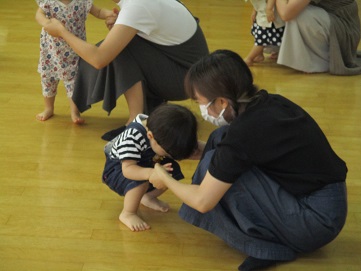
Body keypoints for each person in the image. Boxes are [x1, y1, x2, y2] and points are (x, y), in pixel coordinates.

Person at [149, 50, 348, 270]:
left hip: (316, 222)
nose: (201, 110)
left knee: (213, 167)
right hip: (328, 203)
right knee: (218, 140)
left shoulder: (243, 135)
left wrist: (164, 178)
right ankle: (273, 235)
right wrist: (193, 150)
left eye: (200, 102)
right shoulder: (268, 102)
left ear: (223, 101)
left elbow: (203, 202)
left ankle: (265, 247)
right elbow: (239, 151)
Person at [42, 0, 209, 139]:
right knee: (119, 44)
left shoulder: (136, 6)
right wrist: (120, 27)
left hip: (186, 80)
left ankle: (135, 124)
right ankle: (148, 111)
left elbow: (99, 59)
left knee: (117, 50)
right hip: (188, 71)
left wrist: (62, 32)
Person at [102, 103, 199, 232]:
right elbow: (128, 169)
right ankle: (128, 213)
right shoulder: (132, 137)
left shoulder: (160, 129)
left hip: (143, 161)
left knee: (171, 170)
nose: (169, 155)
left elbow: (195, 149)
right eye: (167, 151)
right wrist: (151, 173)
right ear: (150, 137)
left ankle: (147, 197)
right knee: (140, 182)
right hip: (118, 169)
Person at [35, 0, 115, 123]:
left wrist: (109, 14)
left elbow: (98, 12)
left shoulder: (82, 2)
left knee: (73, 82)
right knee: (48, 80)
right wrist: (46, 23)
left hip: (75, 51)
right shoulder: (48, 2)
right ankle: (49, 108)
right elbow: (38, 15)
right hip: (51, 51)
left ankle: (74, 111)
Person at [275, 0, 361, 75]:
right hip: (329, 16)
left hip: (343, 27)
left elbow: (286, 13)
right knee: (275, 6)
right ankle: (285, 48)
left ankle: (319, 61)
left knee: (298, 15)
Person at [244, 0, 285, 66]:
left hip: (270, 16)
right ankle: (259, 55)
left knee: (261, 40)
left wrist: (269, 8)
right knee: (258, 34)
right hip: (261, 13)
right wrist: (254, 11)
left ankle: (249, 59)